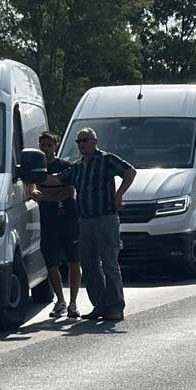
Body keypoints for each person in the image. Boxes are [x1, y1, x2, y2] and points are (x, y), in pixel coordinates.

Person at [48, 127, 136, 322]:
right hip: (85, 221)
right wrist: (33, 178)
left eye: (85, 140)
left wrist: (119, 194)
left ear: (95, 141)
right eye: (78, 142)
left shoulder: (106, 159)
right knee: (89, 265)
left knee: (110, 264)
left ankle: (115, 307)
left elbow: (130, 172)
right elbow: (56, 179)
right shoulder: (77, 167)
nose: (81, 145)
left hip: (105, 218)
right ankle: (100, 305)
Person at [26, 132, 81, 319]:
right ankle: (61, 301)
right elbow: (32, 188)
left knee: (74, 260)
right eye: (43, 144)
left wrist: (46, 193)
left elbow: (67, 191)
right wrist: (37, 191)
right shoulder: (35, 168)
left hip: (68, 217)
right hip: (48, 221)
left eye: (49, 145)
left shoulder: (66, 166)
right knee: (51, 262)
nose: (46, 148)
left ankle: (73, 303)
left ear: (56, 146)